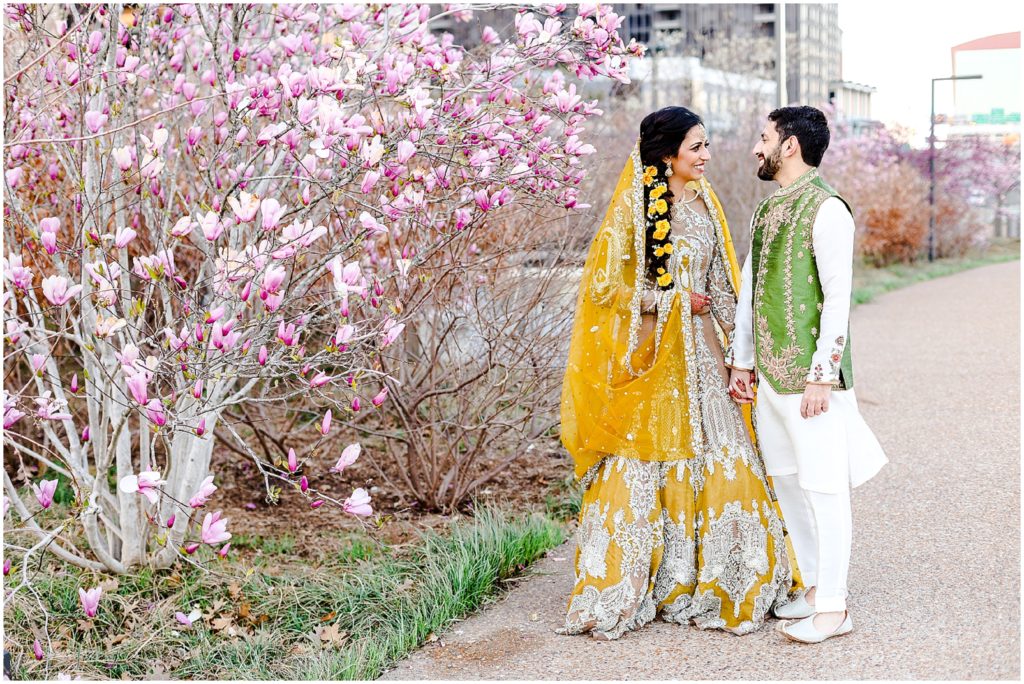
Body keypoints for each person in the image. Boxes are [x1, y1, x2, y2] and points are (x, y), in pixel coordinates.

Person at [559, 106, 801, 640]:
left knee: (728, 453)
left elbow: (723, 288)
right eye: (696, 147)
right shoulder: (635, 207)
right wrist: (666, 301)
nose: (707, 156)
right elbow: (601, 290)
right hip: (653, 362)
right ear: (668, 155)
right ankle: (646, 580)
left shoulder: (707, 203)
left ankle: (725, 577)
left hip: (707, 361)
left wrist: (743, 360)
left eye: (707, 145)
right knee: (640, 470)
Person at [726, 106, 888, 644]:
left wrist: (823, 374)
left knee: (825, 489)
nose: (757, 147)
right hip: (769, 377)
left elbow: (840, 298)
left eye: (764, 137)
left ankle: (836, 609)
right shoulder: (769, 209)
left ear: (789, 145)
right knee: (790, 485)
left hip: (810, 382)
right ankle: (816, 587)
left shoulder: (828, 210)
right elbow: (751, 290)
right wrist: (742, 362)